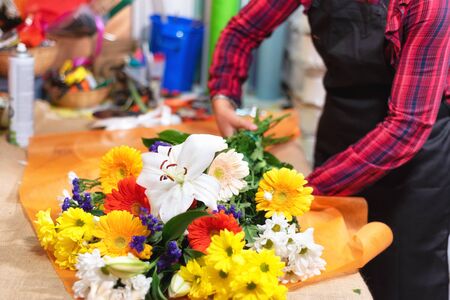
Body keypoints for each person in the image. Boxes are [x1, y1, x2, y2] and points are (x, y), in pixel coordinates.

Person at [208, 0, 450, 299]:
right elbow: (242, 30)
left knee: (406, 278)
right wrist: (223, 94)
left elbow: (408, 125)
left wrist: (303, 191)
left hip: (414, 158)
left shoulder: (430, 5)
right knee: (329, 271)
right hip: (343, 127)